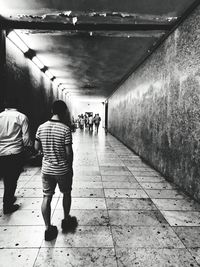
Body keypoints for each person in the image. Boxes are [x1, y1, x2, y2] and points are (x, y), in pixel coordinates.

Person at [34, 100, 76, 241]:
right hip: (62, 169)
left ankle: (48, 228)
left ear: (52, 111)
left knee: (47, 197)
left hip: (46, 170)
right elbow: (69, 152)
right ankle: (66, 220)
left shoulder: (41, 127)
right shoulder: (65, 129)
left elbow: (36, 148)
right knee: (66, 193)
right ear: (64, 112)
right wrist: (69, 167)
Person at [0, 97, 32, 214]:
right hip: (15, 152)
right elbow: (26, 138)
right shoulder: (21, 117)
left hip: (1, 152)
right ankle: (7, 205)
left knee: (6, 177)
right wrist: (29, 149)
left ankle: (9, 197)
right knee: (12, 179)